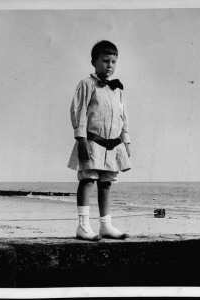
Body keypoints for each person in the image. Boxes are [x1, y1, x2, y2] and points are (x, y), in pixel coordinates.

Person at [67, 40, 131, 241]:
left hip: (113, 144)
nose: (109, 65)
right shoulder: (87, 85)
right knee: (87, 180)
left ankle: (106, 225)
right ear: (94, 61)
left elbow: (123, 118)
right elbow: (79, 112)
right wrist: (81, 139)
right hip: (92, 142)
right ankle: (83, 226)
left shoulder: (117, 90)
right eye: (105, 61)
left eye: (113, 61)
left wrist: (126, 142)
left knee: (106, 184)